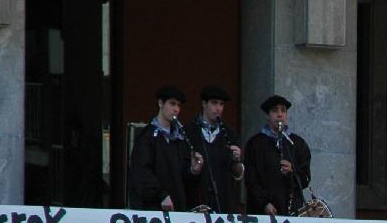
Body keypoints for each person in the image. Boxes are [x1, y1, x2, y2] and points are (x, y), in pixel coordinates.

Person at [128, 85, 198, 211]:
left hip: (176, 208)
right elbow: (142, 171)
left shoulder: (179, 138)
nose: (176, 109)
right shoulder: (147, 136)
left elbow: (181, 177)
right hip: (153, 209)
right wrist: (161, 194)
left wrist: (193, 170)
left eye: (178, 105)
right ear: (160, 103)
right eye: (172, 104)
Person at [244, 94, 312, 216]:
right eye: (275, 110)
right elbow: (250, 179)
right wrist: (264, 203)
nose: (279, 114)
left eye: (283, 110)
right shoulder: (255, 143)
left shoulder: (297, 143)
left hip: (292, 211)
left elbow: (305, 178)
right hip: (263, 212)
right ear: (267, 115)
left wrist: (292, 171)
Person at [189, 85, 246, 214]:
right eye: (214, 103)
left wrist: (237, 160)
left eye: (221, 104)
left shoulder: (230, 134)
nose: (218, 108)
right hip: (196, 199)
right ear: (204, 104)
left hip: (224, 200)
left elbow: (237, 174)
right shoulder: (189, 130)